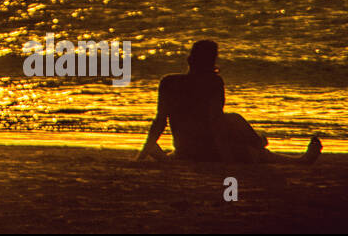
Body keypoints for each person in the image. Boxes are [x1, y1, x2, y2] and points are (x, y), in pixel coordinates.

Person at [136, 40, 321, 164]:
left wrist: (141, 156)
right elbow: (215, 121)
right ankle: (292, 157)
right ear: (213, 62)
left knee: (232, 121)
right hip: (212, 149)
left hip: (185, 148)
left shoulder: (168, 82)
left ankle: (168, 156)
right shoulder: (213, 82)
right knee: (239, 128)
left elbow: (160, 121)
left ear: (189, 59)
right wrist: (227, 159)